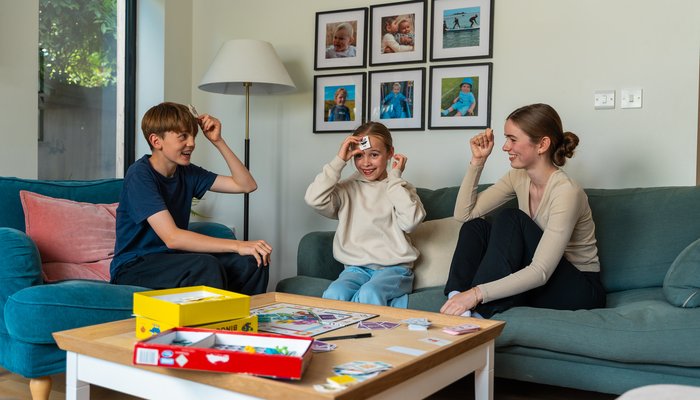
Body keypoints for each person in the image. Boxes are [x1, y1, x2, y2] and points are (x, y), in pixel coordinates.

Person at [440, 103, 606, 319]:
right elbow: (464, 215)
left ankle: (478, 314)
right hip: (538, 280)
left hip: (579, 289)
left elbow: (541, 271)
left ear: (542, 144)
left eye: (512, 139)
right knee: (477, 227)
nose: (505, 147)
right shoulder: (517, 177)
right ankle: (456, 303)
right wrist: (478, 161)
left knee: (512, 218)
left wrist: (477, 294)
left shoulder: (566, 191)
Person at [110, 102, 272, 295]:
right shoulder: (140, 175)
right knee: (204, 265)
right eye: (183, 137)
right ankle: (215, 324)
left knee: (253, 260)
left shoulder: (187, 173)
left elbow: (246, 185)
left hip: (173, 260)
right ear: (156, 141)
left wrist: (218, 141)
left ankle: (240, 322)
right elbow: (172, 237)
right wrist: (238, 245)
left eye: (193, 136)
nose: (192, 143)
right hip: (133, 267)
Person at [304, 122, 426, 308]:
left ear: (390, 153)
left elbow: (411, 222)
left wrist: (394, 179)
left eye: (374, 155)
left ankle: (373, 334)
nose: (366, 163)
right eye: (359, 156)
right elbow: (314, 199)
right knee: (334, 294)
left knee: (370, 293)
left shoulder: (401, 189)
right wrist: (339, 161)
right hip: (355, 270)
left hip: (394, 270)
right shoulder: (346, 189)